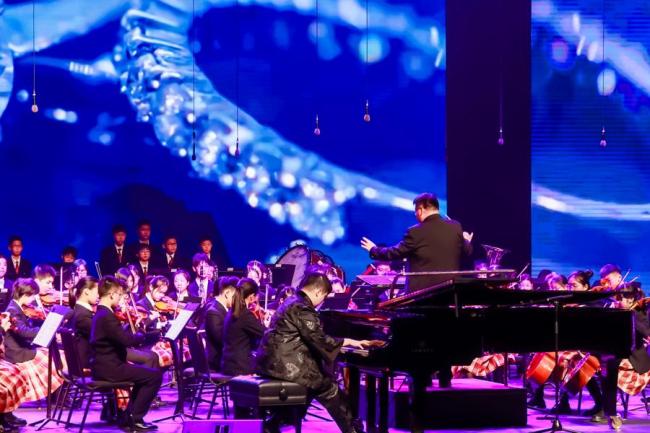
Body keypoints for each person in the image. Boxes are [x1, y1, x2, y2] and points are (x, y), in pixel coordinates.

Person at [256, 269, 369, 433]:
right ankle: (353, 430)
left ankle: (276, 422)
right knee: (329, 387)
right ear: (318, 292)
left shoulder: (291, 301)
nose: (322, 301)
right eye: (324, 297)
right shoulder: (303, 308)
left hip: (271, 363)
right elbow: (319, 339)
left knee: (313, 383)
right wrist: (348, 341)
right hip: (286, 366)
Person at [360, 193, 473, 292]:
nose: (415, 214)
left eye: (415, 211)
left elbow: (395, 252)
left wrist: (373, 249)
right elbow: (467, 252)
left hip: (423, 295)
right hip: (450, 293)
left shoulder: (415, 231)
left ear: (420, 210)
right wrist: (466, 240)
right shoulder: (455, 226)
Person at [90, 276, 162, 431]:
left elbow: (116, 336)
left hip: (104, 365)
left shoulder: (101, 313)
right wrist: (141, 334)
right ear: (111, 295)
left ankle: (129, 416)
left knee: (146, 375)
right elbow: (126, 341)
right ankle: (134, 419)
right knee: (154, 376)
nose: (120, 298)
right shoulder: (106, 316)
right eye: (119, 295)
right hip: (110, 368)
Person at [221, 278, 265, 376]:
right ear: (251, 297)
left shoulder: (231, 312)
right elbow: (265, 334)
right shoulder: (245, 314)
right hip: (240, 368)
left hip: (228, 364)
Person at [204, 276, 237, 371]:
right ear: (227, 293)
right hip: (218, 361)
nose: (237, 300)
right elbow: (222, 340)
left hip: (225, 357)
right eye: (235, 296)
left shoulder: (225, 309)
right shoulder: (213, 312)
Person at [70, 277, 100, 367]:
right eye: (97, 292)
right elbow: (102, 335)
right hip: (88, 362)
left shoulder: (79, 310)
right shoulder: (83, 315)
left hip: (89, 358)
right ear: (86, 291)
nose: (99, 295)